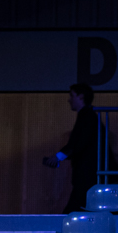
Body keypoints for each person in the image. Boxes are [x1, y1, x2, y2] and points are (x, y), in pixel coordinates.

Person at [44, 83, 104, 214]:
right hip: (88, 174)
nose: (69, 99)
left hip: (87, 174)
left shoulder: (86, 116)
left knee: (73, 210)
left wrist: (59, 156)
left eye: (72, 95)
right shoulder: (88, 116)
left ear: (81, 97)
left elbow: (79, 142)